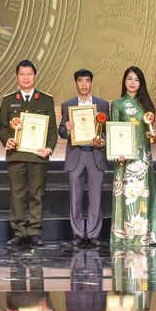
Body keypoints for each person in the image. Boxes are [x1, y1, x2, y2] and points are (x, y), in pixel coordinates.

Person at [0, 60, 57, 247]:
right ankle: (20, 232)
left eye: (29, 74)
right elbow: (2, 127)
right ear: (16, 77)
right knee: (17, 194)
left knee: (37, 195)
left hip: (38, 156)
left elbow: (52, 130)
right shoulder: (9, 101)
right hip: (16, 156)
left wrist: (49, 148)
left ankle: (35, 231)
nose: (25, 78)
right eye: (22, 74)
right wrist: (7, 140)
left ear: (35, 76)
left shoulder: (46, 100)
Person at [58, 68, 109, 247]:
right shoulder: (68, 105)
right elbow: (62, 132)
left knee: (96, 197)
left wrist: (103, 141)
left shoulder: (102, 105)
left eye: (87, 81)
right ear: (76, 83)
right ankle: (78, 233)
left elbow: (107, 131)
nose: (84, 84)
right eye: (81, 81)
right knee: (75, 197)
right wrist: (67, 128)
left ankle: (94, 233)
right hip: (76, 154)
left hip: (95, 155)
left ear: (91, 83)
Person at [110, 66, 156, 246]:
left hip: (142, 156)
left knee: (142, 195)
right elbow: (114, 128)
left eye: (136, 80)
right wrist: (118, 153)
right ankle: (124, 235)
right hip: (124, 156)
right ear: (124, 81)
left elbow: (149, 131)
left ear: (141, 83)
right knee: (125, 194)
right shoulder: (117, 104)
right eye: (129, 79)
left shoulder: (146, 105)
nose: (132, 83)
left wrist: (152, 136)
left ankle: (143, 235)